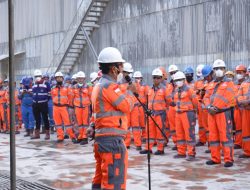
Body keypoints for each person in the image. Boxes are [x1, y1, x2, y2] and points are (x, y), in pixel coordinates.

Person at [88, 47, 136, 190]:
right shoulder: (109, 86)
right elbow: (126, 106)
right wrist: (131, 93)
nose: (122, 70)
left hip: (102, 140)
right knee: (114, 183)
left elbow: (97, 112)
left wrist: (92, 126)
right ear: (113, 69)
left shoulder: (99, 86)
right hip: (111, 142)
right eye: (120, 66)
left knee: (100, 178)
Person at [205, 59, 235, 167]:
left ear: (225, 69)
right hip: (211, 113)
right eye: (216, 69)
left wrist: (215, 108)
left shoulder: (229, 83)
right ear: (213, 71)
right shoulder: (210, 84)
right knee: (213, 137)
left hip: (223, 113)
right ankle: (215, 158)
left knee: (226, 136)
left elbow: (229, 98)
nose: (218, 70)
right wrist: (209, 107)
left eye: (221, 68)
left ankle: (228, 159)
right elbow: (206, 97)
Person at [140, 68, 167, 155]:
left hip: (160, 114)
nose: (156, 79)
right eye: (155, 77)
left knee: (159, 132)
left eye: (158, 78)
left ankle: (160, 149)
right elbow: (147, 101)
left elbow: (169, 101)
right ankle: (148, 148)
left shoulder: (164, 89)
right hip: (151, 114)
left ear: (161, 78)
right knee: (149, 132)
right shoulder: (150, 89)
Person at [172, 71, 197, 161]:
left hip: (187, 113)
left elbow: (195, 102)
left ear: (183, 80)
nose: (178, 82)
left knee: (189, 134)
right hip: (178, 114)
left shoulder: (189, 90)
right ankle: (181, 152)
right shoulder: (176, 90)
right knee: (179, 134)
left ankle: (191, 153)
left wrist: (193, 112)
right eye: (176, 80)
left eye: (180, 80)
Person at [51, 72, 77, 143]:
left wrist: (70, 106)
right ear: (55, 79)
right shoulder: (53, 87)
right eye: (57, 77)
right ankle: (60, 137)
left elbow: (70, 97)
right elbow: (52, 96)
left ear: (62, 78)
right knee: (58, 123)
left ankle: (72, 137)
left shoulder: (67, 87)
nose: (59, 78)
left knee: (68, 123)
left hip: (64, 107)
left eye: (60, 77)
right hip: (56, 107)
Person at [72, 71, 92, 145]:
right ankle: (80, 137)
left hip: (85, 107)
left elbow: (91, 97)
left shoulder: (88, 87)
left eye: (82, 78)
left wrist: (90, 106)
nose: (80, 80)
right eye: (79, 79)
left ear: (84, 79)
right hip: (77, 107)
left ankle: (85, 137)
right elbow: (72, 97)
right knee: (79, 123)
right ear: (77, 79)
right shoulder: (74, 87)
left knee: (85, 123)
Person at [32, 69, 51, 140]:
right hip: (35, 104)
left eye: (39, 76)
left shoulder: (46, 83)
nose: (37, 77)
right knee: (37, 119)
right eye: (36, 76)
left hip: (43, 104)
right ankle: (37, 134)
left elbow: (49, 93)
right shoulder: (33, 84)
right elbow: (33, 93)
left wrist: (45, 100)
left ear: (41, 76)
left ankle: (47, 134)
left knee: (45, 118)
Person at [237, 65, 250, 158]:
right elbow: (238, 97)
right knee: (246, 132)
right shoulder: (244, 84)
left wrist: (248, 101)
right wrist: (244, 102)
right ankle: (247, 151)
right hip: (246, 110)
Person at [233, 65, 247, 149]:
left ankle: (246, 145)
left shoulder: (247, 83)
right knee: (238, 127)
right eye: (237, 72)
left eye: (240, 72)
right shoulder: (233, 84)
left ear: (245, 73)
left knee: (246, 128)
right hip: (236, 108)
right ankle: (238, 142)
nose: (238, 74)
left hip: (245, 108)